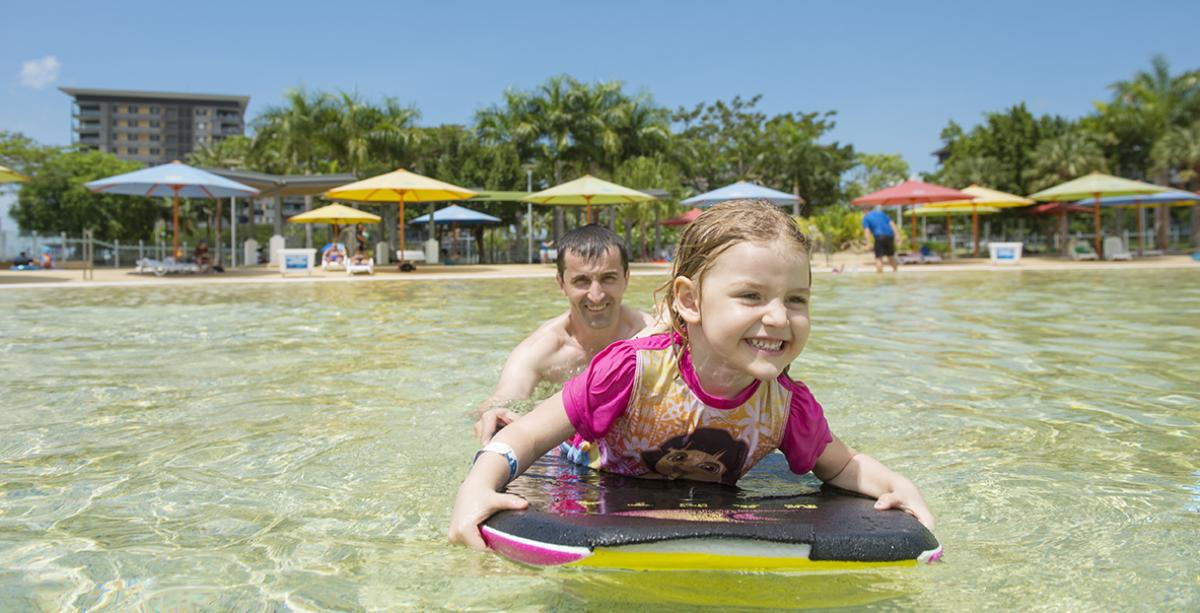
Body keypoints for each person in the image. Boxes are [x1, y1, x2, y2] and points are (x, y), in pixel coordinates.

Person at [449, 200, 934, 550]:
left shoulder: (787, 405)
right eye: (751, 296)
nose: (779, 319)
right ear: (688, 301)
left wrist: (897, 482)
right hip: (592, 471)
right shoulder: (632, 369)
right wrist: (477, 485)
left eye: (796, 299)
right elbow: (532, 435)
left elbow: (842, 465)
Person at [472, 224, 655, 444]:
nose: (596, 295)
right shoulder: (541, 350)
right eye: (581, 281)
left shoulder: (651, 335)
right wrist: (494, 414)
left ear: (626, 278)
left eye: (608, 278)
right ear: (561, 284)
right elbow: (505, 398)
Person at [862, 205, 899, 273]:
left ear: (864, 210)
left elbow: (867, 231)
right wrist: (897, 235)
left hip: (879, 236)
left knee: (879, 258)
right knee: (890, 256)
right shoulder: (881, 214)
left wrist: (868, 243)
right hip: (890, 236)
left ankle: (880, 278)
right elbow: (892, 223)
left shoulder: (866, 217)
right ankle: (896, 272)